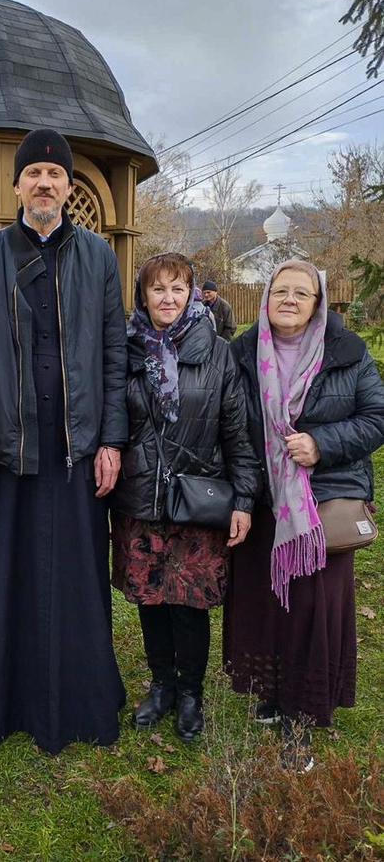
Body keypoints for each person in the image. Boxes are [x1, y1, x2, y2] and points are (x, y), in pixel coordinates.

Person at [0, 127, 128, 754]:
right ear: (17, 186)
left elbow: (113, 353)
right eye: (34, 175)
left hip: (78, 448)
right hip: (9, 449)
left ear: (69, 187)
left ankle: (80, 702)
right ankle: (2, 701)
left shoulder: (99, 257)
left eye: (56, 176)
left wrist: (112, 439)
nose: (45, 184)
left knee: (78, 576)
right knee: (6, 577)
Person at [223, 259, 384, 771]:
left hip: (321, 506)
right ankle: (271, 696)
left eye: (302, 293)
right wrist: (243, 498)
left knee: (311, 610)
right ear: (266, 297)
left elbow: (376, 417)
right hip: (263, 500)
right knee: (263, 603)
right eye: (280, 291)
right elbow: (230, 428)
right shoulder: (240, 353)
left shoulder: (348, 352)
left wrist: (321, 443)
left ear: (318, 304)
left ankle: (302, 717)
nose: (289, 300)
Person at [110, 254, 259, 742]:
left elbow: (237, 433)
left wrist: (244, 499)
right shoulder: (127, 348)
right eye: (158, 289)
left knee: (188, 601)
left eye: (178, 288)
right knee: (150, 597)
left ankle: (191, 691)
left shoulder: (217, 352)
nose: (168, 298)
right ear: (143, 296)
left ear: (192, 294)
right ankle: (162, 685)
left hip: (197, 497)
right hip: (141, 497)